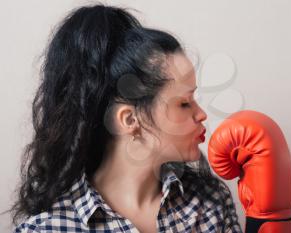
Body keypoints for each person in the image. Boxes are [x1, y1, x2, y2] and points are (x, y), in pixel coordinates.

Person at [9, 4, 242, 233]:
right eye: (184, 103)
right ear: (130, 120)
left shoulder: (210, 205)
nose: (201, 114)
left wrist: (267, 217)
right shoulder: (46, 229)